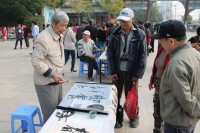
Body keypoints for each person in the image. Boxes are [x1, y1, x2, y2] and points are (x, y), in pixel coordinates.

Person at [151, 20, 200, 133]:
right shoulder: (195, 54)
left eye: (161, 42)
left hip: (178, 123)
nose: (161, 46)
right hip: (189, 120)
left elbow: (186, 99)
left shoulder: (176, 64)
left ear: (171, 41)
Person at [107, 8, 147, 128]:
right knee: (116, 96)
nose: (123, 24)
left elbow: (142, 56)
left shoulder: (140, 34)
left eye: (126, 21)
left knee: (132, 96)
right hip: (118, 71)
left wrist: (138, 74)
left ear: (132, 19)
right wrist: (112, 71)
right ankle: (117, 118)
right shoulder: (115, 34)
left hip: (132, 71)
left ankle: (134, 117)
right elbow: (110, 53)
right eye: (121, 21)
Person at [31, 11, 69, 123]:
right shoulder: (43, 38)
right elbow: (36, 61)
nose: (64, 28)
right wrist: (52, 74)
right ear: (53, 23)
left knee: (58, 110)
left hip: (57, 79)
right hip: (46, 82)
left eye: (66, 25)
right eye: (61, 25)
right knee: (50, 114)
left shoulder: (58, 35)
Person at [149, 44, 170, 133]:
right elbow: (155, 66)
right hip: (158, 83)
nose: (159, 41)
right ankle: (157, 129)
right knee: (157, 108)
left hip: (169, 86)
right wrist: (152, 81)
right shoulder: (161, 48)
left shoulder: (175, 53)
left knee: (167, 111)